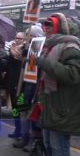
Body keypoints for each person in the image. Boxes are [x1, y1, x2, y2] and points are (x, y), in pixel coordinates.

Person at [36, 13, 80, 156]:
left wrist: (44, 62)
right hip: (49, 104)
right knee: (49, 146)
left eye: (50, 24)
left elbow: (73, 75)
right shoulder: (50, 45)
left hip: (62, 108)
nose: (45, 28)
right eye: (45, 24)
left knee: (58, 149)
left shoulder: (71, 46)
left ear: (59, 27)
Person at [5, 32, 25, 138]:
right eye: (16, 38)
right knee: (15, 108)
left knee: (19, 108)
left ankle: (22, 131)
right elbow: (8, 65)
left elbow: (18, 59)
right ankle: (17, 130)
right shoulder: (11, 49)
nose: (17, 40)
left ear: (24, 40)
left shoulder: (22, 51)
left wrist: (13, 52)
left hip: (20, 84)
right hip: (11, 83)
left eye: (20, 38)